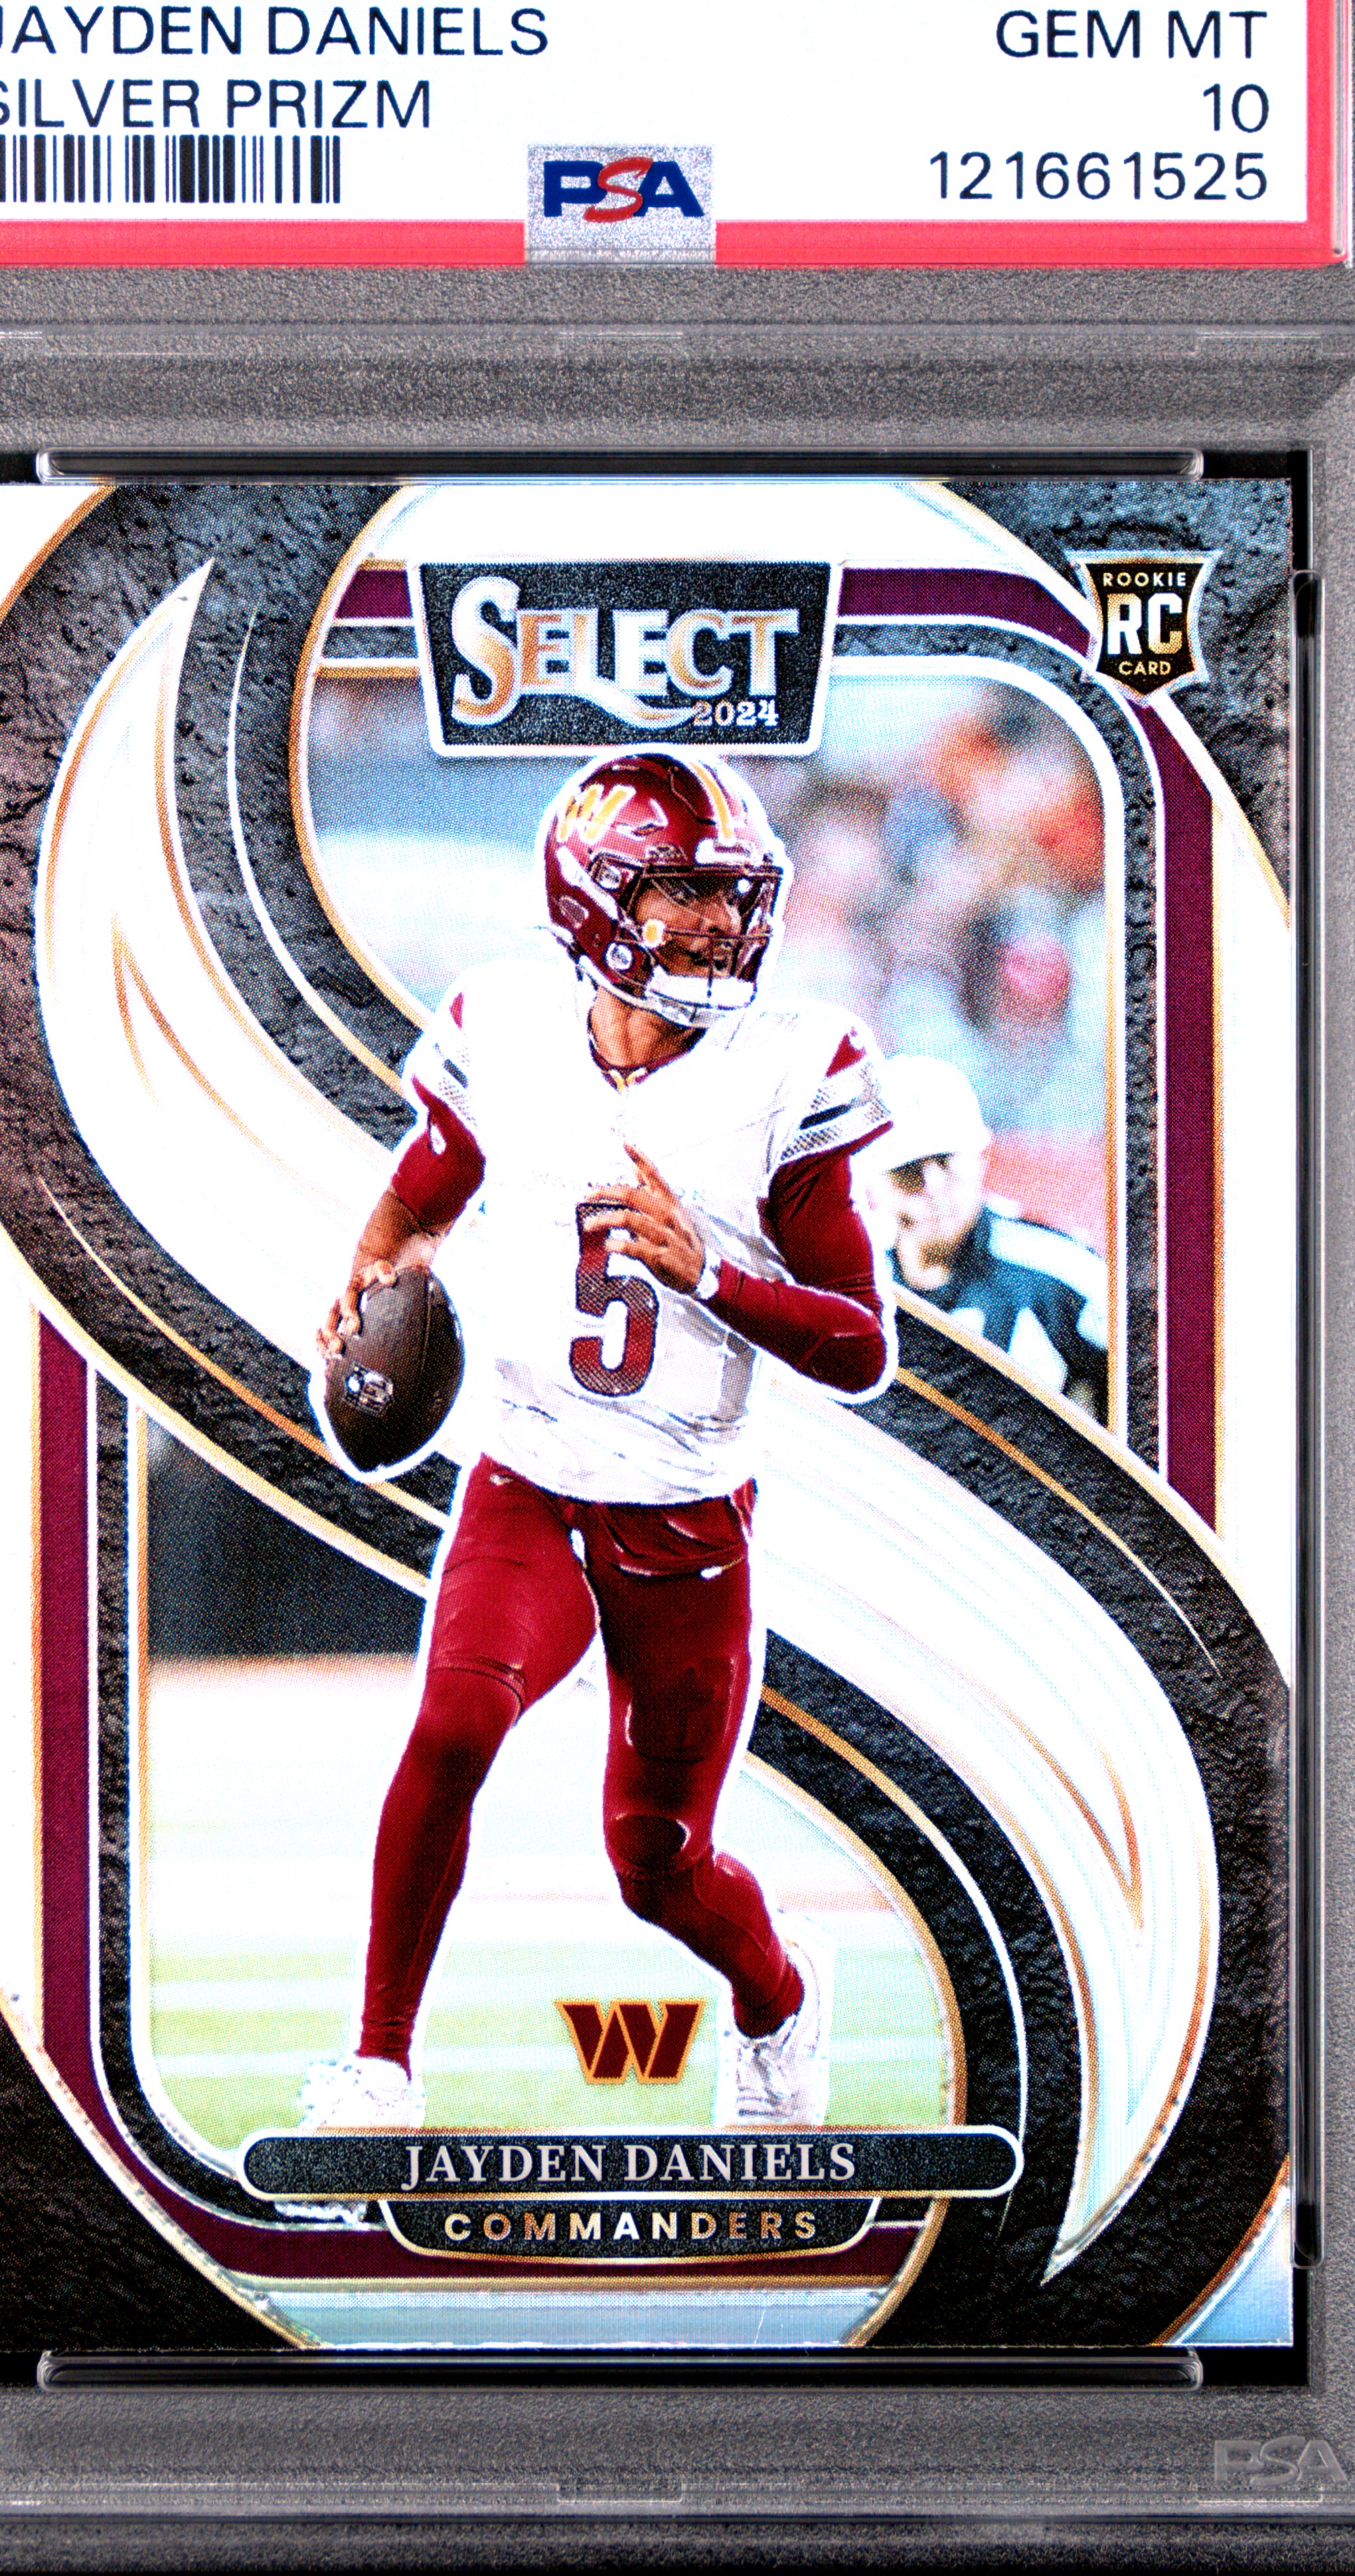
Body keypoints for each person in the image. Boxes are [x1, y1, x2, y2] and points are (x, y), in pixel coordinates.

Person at [300, 748, 893, 2136]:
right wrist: (376, 1270)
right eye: (682, 893)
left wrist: (712, 1275)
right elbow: (423, 1192)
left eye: (730, 896)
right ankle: (379, 2064)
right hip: (530, 1475)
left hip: (684, 1510)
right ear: (594, 898)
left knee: (659, 1864)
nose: (717, 924)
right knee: (453, 1721)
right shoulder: (507, 1027)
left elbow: (862, 1345)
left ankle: (778, 1999)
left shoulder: (787, 1068)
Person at [866, 1056, 1109, 1420]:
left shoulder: (1059, 1271)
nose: (935, 1188)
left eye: (946, 1160)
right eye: (908, 1171)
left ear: (980, 1156)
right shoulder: (845, 1279)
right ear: (869, 1181)